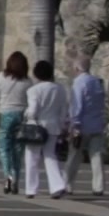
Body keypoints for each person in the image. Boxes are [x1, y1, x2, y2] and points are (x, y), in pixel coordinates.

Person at [0, 51, 33, 195]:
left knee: (4, 148)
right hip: (22, 116)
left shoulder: (1, 77)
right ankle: (16, 178)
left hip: (5, 115)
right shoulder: (28, 81)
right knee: (18, 149)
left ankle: (7, 175)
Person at [22, 60, 70, 199]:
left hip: (36, 127)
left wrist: (26, 114)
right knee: (50, 156)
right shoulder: (60, 89)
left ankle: (30, 189)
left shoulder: (33, 90)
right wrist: (62, 125)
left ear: (36, 74)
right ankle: (57, 186)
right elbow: (63, 110)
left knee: (32, 157)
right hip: (53, 126)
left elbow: (32, 111)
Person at [65, 54, 108, 198]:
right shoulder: (97, 82)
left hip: (82, 126)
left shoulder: (79, 83)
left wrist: (74, 124)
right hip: (96, 124)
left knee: (74, 156)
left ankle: (67, 184)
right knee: (96, 156)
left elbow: (77, 105)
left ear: (77, 67)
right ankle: (98, 186)